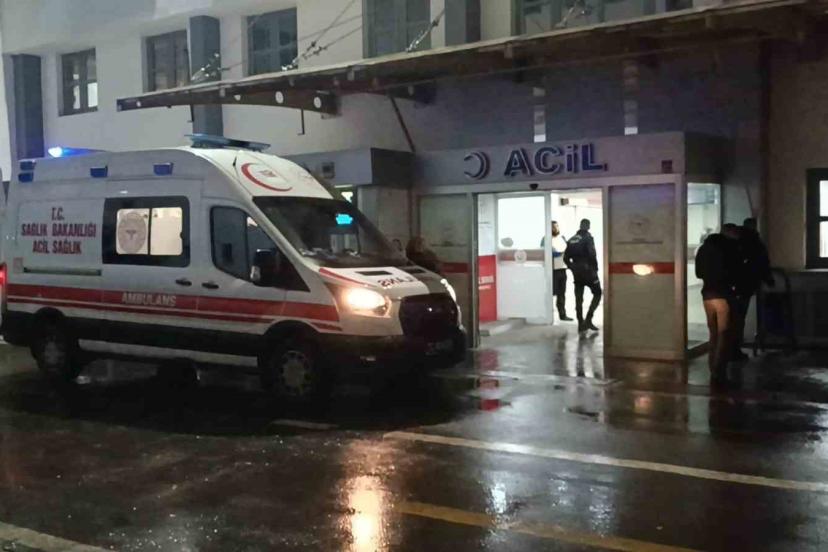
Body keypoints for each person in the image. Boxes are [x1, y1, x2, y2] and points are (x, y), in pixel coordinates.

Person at [695, 225, 740, 387]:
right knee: (724, 333)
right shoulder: (728, 249)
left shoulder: (703, 249)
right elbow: (734, 273)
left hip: (707, 294)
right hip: (723, 294)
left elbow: (698, 273)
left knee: (713, 333)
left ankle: (712, 367)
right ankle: (719, 371)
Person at [730, 217, 774, 360]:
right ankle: (735, 349)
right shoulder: (755, 242)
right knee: (739, 318)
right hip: (746, 285)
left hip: (731, 285)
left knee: (733, 318)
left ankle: (730, 349)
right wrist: (769, 280)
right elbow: (762, 263)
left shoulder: (735, 242)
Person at [564, 219, 602, 333]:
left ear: (580, 226)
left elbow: (566, 258)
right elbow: (592, 254)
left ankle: (581, 323)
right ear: (588, 226)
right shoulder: (588, 238)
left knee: (579, 298)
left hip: (577, 273)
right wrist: (595, 269)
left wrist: (572, 267)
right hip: (589, 271)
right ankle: (588, 319)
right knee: (598, 293)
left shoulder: (571, 239)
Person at [545, 221, 573, 321]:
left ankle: (562, 315)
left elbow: (569, 250)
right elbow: (545, 253)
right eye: (553, 227)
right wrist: (559, 253)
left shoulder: (562, 238)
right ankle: (547, 315)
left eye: (557, 226)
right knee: (550, 293)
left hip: (562, 269)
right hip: (552, 270)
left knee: (562, 294)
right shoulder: (546, 239)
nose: (556, 228)